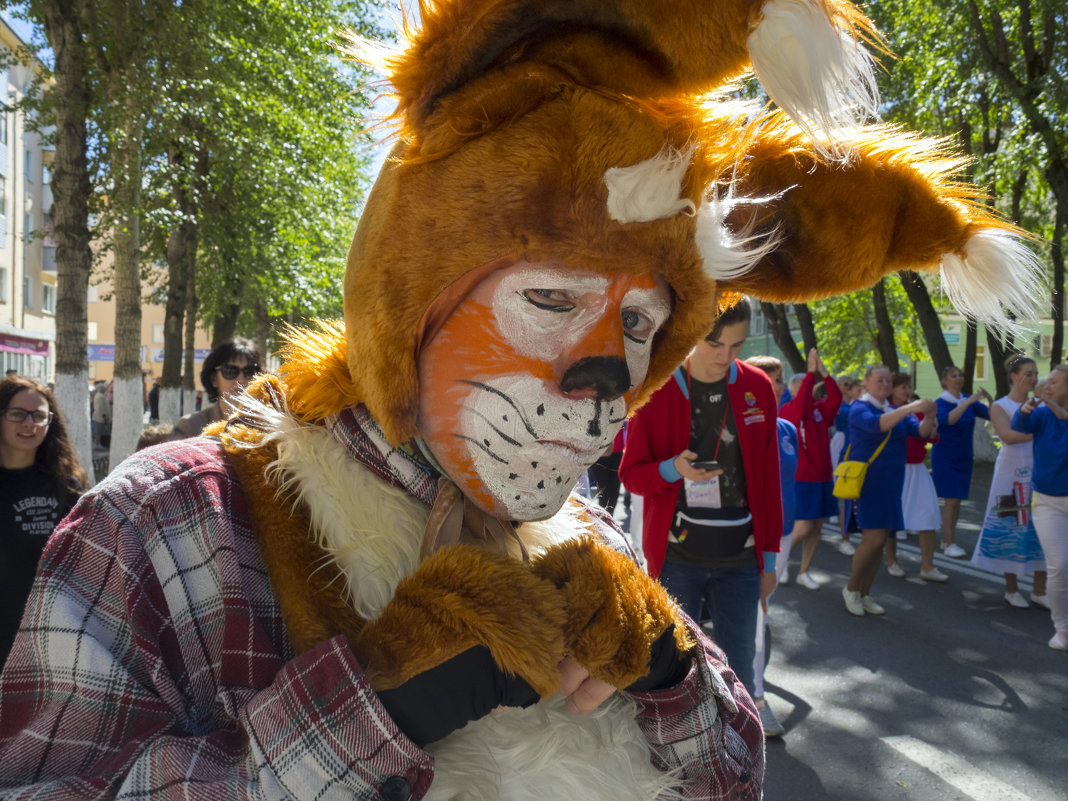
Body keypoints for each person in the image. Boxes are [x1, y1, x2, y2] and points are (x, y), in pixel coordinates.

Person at [0, 0, 1041, 796]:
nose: (598, 379)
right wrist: (373, 707)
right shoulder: (170, 518)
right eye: (549, 298)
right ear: (412, 299)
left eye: (639, 326)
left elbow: (731, 771)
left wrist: (669, 667)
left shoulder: (578, 530)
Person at [620, 299, 783, 700]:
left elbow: (769, 478)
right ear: (693, 333)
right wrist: (674, 469)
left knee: (739, 671)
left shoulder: (757, 387)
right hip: (678, 559)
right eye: (715, 344)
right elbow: (631, 475)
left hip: (741, 561)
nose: (725, 356)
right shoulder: (657, 388)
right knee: (675, 671)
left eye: (737, 346)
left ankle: (737, 754)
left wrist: (770, 559)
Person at [0, 376, 87, 662]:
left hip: (46, 635)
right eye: (17, 414)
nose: (29, 424)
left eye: (39, 416)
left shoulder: (66, 485)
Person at [842, 366, 936, 616]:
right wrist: (910, 408)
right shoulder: (859, 408)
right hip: (869, 483)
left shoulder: (894, 411)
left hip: (893, 484)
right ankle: (851, 588)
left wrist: (929, 415)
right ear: (867, 383)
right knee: (872, 539)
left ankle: (865, 592)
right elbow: (878, 426)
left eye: (887, 380)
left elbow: (920, 433)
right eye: (879, 380)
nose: (884, 384)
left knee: (881, 540)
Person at [744, 354, 796, 738]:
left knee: (763, 615)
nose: (775, 386)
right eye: (768, 378)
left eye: (780, 380)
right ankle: (756, 702)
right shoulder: (743, 425)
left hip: (785, 533)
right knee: (757, 617)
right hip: (754, 538)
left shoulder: (788, 429)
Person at [971, 356, 1047, 608]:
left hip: (1038, 472)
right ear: (1014, 377)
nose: (1033, 378)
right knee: (1011, 527)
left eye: (1035, 373)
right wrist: (1040, 432)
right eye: (1028, 373)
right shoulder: (1000, 406)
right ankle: (1012, 589)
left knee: (1041, 529)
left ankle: (1039, 590)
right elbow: (1008, 436)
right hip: (1010, 475)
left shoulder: (1040, 404)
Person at [1011, 365, 1068, 651]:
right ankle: (1063, 630)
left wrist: (1064, 414)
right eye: (1048, 383)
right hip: (1048, 502)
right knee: (1059, 566)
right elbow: (1018, 428)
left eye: (1054, 383)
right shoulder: (1042, 414)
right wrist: (1024, 410)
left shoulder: (1059, 414)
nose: (1047, 387)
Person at [779, 348, 842, 588]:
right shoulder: (788, 410)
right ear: (795, 389)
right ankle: (780, 563)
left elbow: (835, 399)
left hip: (823, 475)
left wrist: (824, 374)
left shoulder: (818, 409)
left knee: (817, 526)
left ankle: (805, 571)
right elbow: (801, 405)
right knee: (803, 525)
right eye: (805, 385)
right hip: (803, 477)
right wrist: (810, 374)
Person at [883, 373, 947, 582]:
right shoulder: (885, 411)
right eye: (902, 387)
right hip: (895, 470)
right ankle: (892, 561)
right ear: (892, 389)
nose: (907, 391)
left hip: (917, 469)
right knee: (891, 521)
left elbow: (933, 438)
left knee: (927, 517)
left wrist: (932, 419)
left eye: (908, 387)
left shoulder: (917, 412)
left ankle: (927, 566)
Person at [932, 365, 991, 558]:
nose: (958, 379)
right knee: (951, 500)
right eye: (953, 376)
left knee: (957, 501)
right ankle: (949, 543)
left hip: (964, 457)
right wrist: (967, 403)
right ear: (944, 381)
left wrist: (989, 399)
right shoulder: (941, 402)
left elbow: (991, 414)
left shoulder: (969, 401)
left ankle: (946, 538)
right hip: (945, 457)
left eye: (960, 375)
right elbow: (947, 421)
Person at [173, 342, 260, 438]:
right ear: (214, 379)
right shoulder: (191, 426)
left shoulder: (268, 427)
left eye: (249, 371)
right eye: (230, 371)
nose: (241, 380)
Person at [833, 375, 863, 554]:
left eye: (862, 390)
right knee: (847, 499)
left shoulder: (862, 407)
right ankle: (845, 539)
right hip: (845, 450)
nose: (861, 394)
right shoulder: (844, 407)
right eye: (858, 391)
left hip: (860, 452)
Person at [91, 379, 111, 448]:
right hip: (99, 417)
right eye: (103, 388)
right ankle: (97, 444)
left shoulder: (102, 395)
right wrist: (104, 416)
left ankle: (99, 443)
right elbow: (100, 408)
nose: (105, 389)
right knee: (98, 431)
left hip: (102, 417)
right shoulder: (99, 396)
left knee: (100, 431)